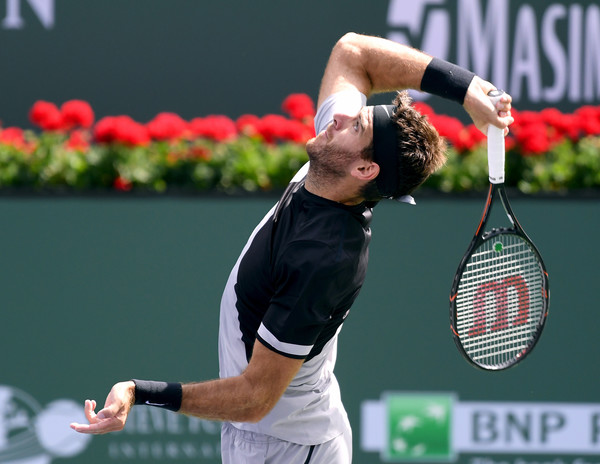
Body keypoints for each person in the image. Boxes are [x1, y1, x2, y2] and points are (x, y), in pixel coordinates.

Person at [71, 32, 513, 463]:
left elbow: (253, 397)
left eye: (355, 123)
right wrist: (467, 87)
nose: (341, 115)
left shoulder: (323, 258)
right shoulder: (333, 164)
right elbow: (353, 52)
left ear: (364, 167)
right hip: (280, 438)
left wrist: (139, 391)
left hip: (287, 449)